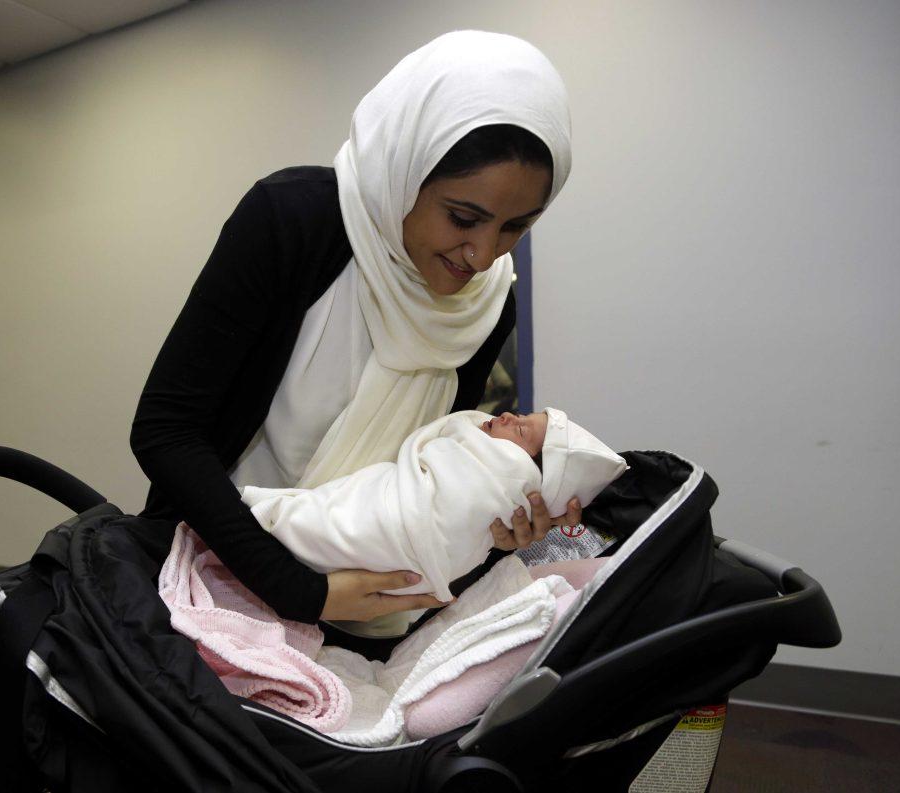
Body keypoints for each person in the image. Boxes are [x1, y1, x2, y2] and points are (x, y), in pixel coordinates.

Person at [131, 30, 582, 629]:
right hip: (213, 580)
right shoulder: (293, 221)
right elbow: (166, 431)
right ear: (405, 168)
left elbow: (426, 473)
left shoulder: (489, 304)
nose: (482, 254)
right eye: (463, 217)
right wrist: (300, 591)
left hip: (368, 609)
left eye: (514, 228)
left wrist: (493, 521)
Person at [235, 407, 626, 636]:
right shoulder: (488, 449)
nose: (506, 415)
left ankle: (282, 520)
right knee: (345, 514)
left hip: (401, 539)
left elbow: (455, 481)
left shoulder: (507, 473)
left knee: (340, 524)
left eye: (521, 428)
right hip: (326, 563)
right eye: (522, 415)